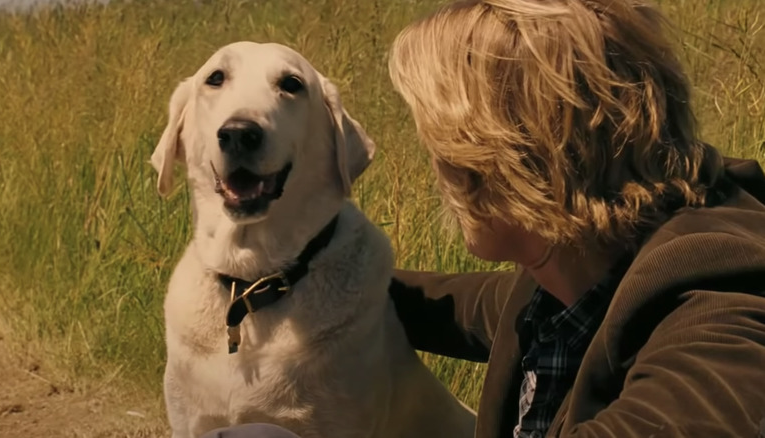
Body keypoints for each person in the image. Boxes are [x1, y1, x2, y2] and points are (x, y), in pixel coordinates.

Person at [204, 0, 765, 437]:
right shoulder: (570, 282)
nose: (436, 166)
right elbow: (455, 304)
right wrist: (284, 279)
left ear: (514, 153)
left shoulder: (719, 304)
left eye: (443, 143)